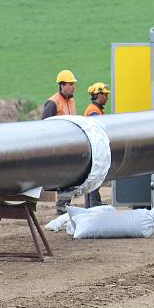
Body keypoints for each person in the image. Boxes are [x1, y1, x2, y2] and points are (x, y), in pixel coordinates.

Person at [42, 69, 78, 214]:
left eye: (73, 84)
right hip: (58, 147)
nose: (73, 86)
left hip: (70, 146)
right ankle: (62, 207)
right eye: (70, 84)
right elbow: (44, 127)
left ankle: (65, 205)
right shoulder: (52, 102)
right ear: (62, 85)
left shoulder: (71, 101)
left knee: (70, 177)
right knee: (65, 176)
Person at [83, 82, 109, 208]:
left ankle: (92, 204)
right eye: (105, 94)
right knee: (94, 177)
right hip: (94, 149)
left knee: (93, 177)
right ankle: (94, 204)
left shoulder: (96, 109)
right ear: (99, 95)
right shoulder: (94, 111)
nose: (107, 97)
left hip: (93, 148)